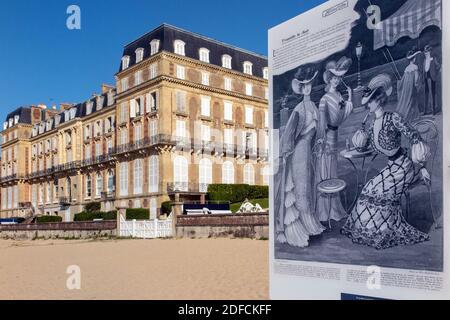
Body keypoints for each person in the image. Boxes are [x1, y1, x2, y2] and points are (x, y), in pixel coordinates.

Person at [342, 74, 431, 250]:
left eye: (369, 102)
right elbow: (368, 145)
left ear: (378, 100)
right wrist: (361, 135)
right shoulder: (372, 123)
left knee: (379, 192)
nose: (367, 105)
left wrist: (422, 167)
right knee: (368, 188)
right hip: (391, 167)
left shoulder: (393, 118)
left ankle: (383, 232)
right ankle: (370, 231)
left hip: (403, 167)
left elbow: (414, 135)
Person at [276, 67, 326, 248]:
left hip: (309, 151)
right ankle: (300, 227)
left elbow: (318, 131)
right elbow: (289, 135)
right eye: (304, 86)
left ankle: (310, 223)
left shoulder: (313, 106)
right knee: (301, 186)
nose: (308, 88)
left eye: (310, 85)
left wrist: (319, 143)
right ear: (300, 88)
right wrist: (286, 152)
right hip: (299, 152)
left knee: (309, 185)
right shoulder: (299, 109)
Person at [315, 57, 353, 224]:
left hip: (335, 135)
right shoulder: (324, 99)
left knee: (333, 169)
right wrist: (322, 140)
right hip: (327, 137)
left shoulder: (338, 95)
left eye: (339, 78)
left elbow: (342, 116)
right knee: (326, 169)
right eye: (334, 78)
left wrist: (350, 98)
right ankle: (326, 210)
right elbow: (322, 124)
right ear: (329, 79)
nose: (337, 81)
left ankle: (334, 208)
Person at [396, 47, 421, 122]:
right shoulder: (415, 67)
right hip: (412, 86)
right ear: (414, 59)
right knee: (413, 100)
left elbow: (403, 80)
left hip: (407, 88)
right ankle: (413, 116)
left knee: (409, 100)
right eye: (415, 58)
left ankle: (412, 115)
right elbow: (416, 78)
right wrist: (416, 85)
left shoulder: (407, 68)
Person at [423, 45, 441, 115]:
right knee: (426, 94)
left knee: (432, 94)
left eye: (427, 52)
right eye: (425, 52)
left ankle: (433, 110)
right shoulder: (424, 60)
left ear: (430, 51)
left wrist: (435, 74)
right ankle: (426, 111)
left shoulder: (433, 59)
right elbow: (423, 69)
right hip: (425, 78)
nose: (425, 53)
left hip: (432, 78)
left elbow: (438, 66)